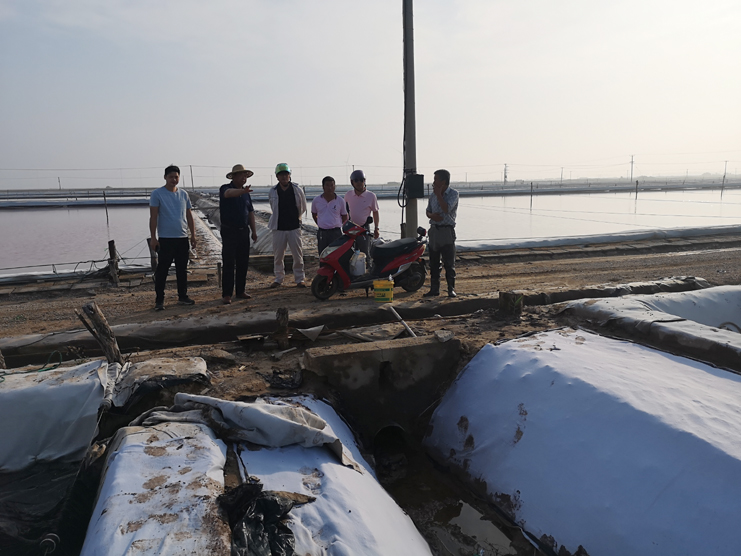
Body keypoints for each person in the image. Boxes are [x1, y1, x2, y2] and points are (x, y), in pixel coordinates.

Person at [149, 164, 197, 310]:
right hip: (166, 238)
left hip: (182, 238)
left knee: (182, 269)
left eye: (176, 177)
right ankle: (159, 300)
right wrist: (153, 237)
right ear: (165, 177)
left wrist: (193, 235)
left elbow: (189, 215)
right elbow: (153, 217)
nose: (174, 180)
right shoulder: (157, 194)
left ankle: (183, 296)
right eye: (171, 177)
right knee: (162, 270)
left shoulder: (184, 194)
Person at [219, 164, 258, 305]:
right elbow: (228, 194)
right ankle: (227, 294)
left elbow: (250, 213)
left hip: (243, 231)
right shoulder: (225, 188)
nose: (244, 178)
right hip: (229, 231)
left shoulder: (246, 193)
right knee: (229, 262)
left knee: (243, 262)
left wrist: (254, 231)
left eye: (245, 176)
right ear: (234, 176)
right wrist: (242, 191)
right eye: (241, 175)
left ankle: (240, 290)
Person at [268, 163, 307, 287]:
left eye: (286, 174)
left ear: (289, 175)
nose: (284, 177)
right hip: (278, 227)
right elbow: (273, 207)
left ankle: (299, 279)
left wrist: (296, 218)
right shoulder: (273, 191)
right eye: (281, 175)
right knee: (278, 255)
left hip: (294, 226)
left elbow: (303, 206)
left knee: (298, 255)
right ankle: (278, 278)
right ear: (277, 177)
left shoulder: (297, 189)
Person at [423, 169, 459, 298]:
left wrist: (439, 195)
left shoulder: (454, 194)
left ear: (443, 181)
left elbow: (446, 209)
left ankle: (451, 289)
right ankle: (434, 289)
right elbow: (428, 211)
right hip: (434, 231)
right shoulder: (432, 195)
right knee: (434, 262)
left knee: (449, 263)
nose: (433, 182)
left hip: (446, 231)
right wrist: (431, 215)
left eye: (436, 179)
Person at [343, 169, 379, 258]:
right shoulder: (348, 195)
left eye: (361, 180)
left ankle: (368, 266)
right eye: (356, 180)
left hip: (364, 229)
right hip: (350, 229)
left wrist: (376, 228)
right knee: (349, 254)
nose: (359, 182)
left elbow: (375, 212)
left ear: (364, 181)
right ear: (352, 182)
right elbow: (344, 211)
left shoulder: (371, 196)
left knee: (365, 253)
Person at [311, 176, 348, 256]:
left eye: (332, 185)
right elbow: (314, 214)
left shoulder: (340, 200)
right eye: (327, 185)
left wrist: (339, 224)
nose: (330, 188)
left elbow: (344, 216)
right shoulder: (316, 200)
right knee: (323, 254)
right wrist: (321, 223)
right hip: (322, 232)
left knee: (337, 255)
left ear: (335, 186)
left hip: (336, 232)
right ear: (323, 186)